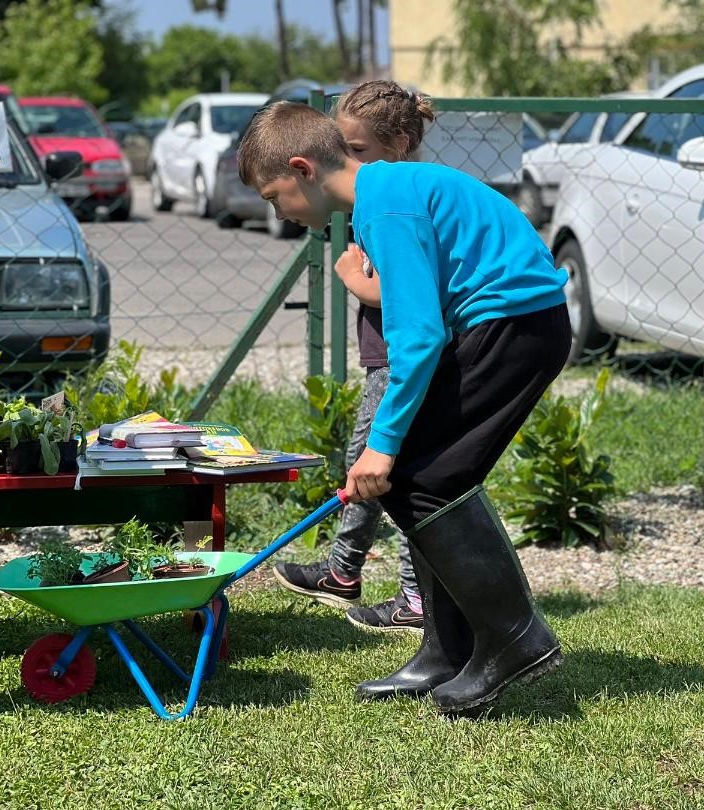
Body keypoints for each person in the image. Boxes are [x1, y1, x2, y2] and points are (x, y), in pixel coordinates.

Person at [237, 99, 570, 715]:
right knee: (421, 476)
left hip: (516, 326)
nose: (276, 210)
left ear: (303, 167)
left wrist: (381, 445)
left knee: (428, 476)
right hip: (498, 325)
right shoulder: (380, 199)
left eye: (273, 193)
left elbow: (417, 338)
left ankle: (516, 640)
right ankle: (445, 652)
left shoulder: (383, 205)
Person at [273, 81, 437, 634]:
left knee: (399, 467)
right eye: (343, 150)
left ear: (400, 143)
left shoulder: (395, 201)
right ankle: (346, 570)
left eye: (358, 151)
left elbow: (415, 296)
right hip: (386, 352)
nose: (349, 162)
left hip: (405, 356)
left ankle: (410, 594)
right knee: (365, 454)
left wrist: (358, 286)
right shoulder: (375, 200)